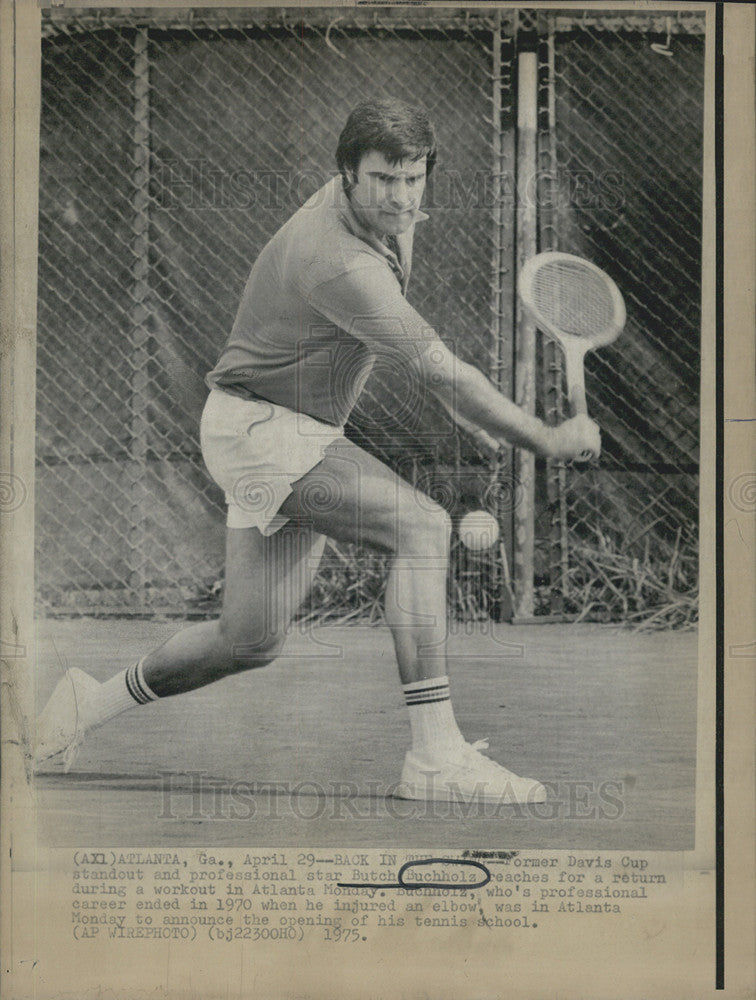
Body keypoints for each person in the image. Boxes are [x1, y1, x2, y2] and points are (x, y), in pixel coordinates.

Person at [35, 100, 600, 803]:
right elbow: (442, 369)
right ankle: (434, 758)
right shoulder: (338, 261)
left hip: (280, 426)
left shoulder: (392, 216)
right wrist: (546, 437)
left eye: (412, 178)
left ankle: (87, 703)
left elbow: (426, 366)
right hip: (263, 430)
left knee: (249, 640)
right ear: (346, 175)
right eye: (382, 180)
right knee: (421, 527)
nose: (399, 197)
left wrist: (465, 409)